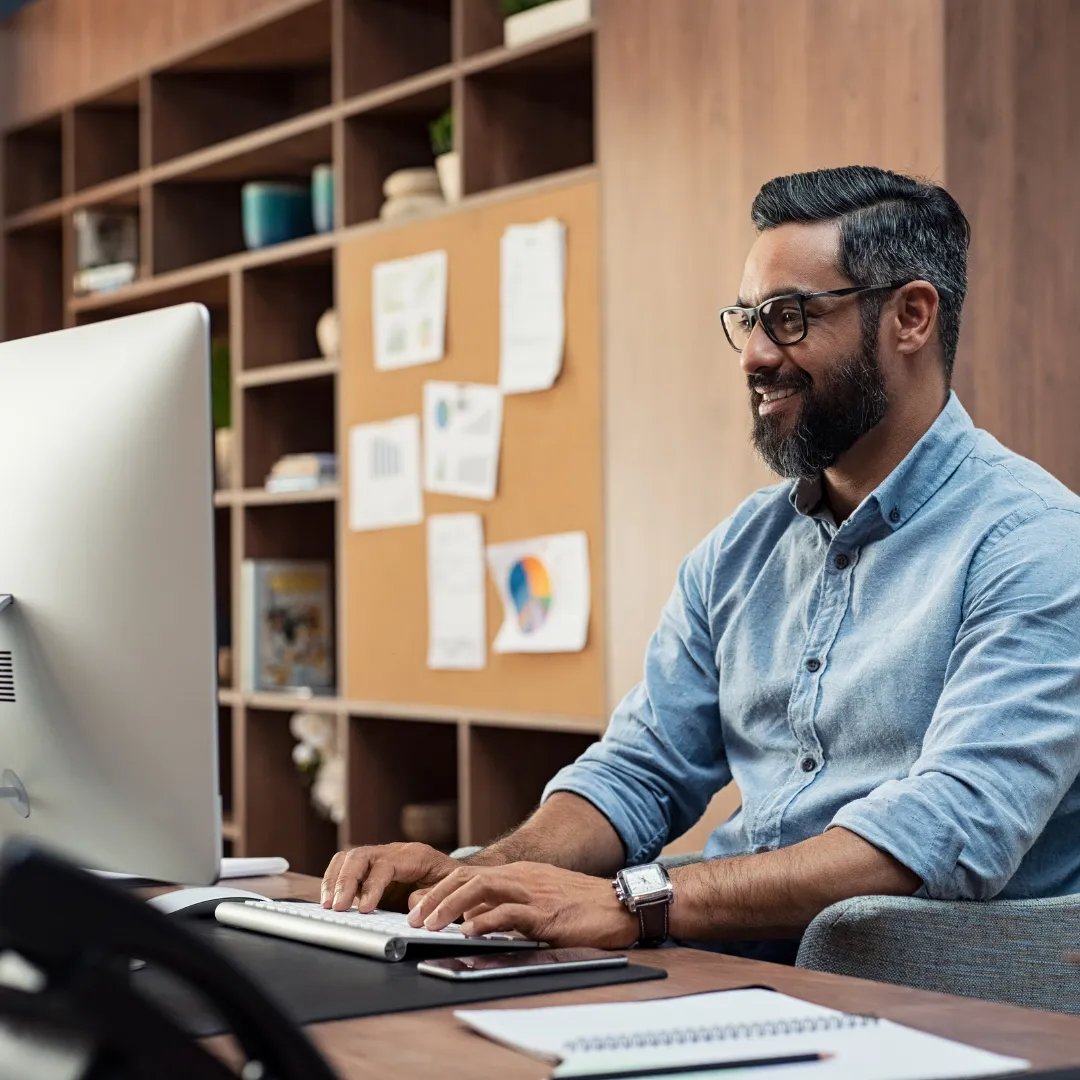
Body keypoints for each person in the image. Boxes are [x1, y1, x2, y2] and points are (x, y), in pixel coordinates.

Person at [322, 166, 1080, 963]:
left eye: (788, 318)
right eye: (747, 320)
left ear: (911, 317)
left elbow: (944, 831)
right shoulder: (738, 552)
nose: (753, 356)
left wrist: (637, 902)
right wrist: (476, 876)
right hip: (726, 963)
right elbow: (639, 772)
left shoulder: (1035, 544)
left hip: (928, 1005)